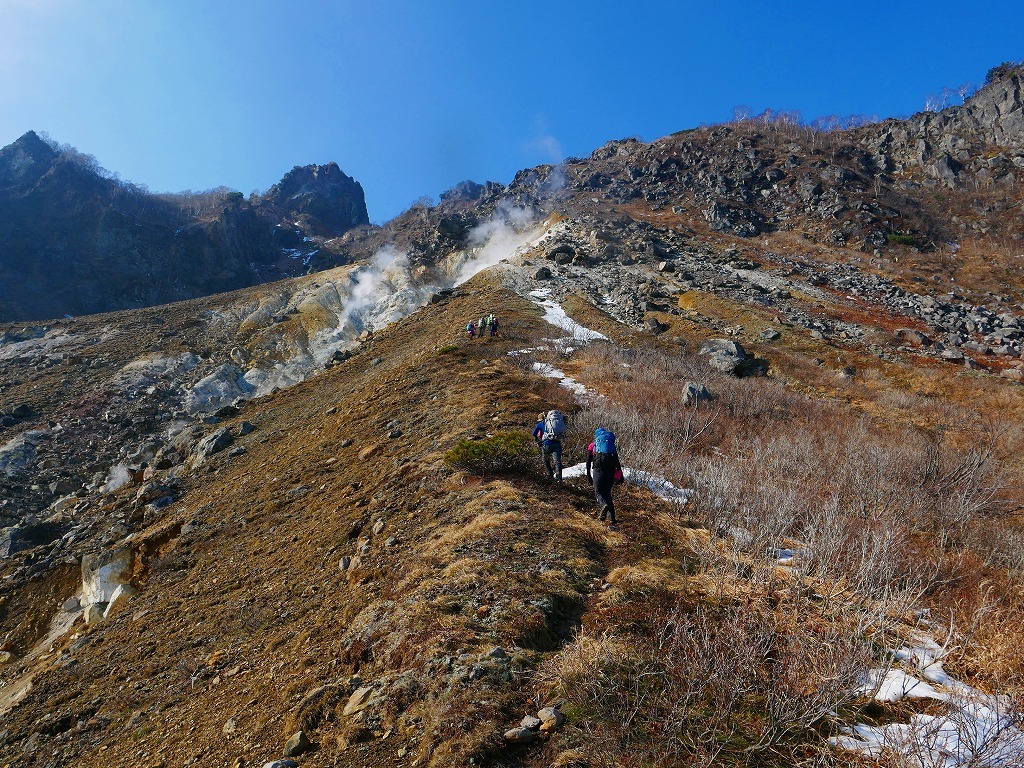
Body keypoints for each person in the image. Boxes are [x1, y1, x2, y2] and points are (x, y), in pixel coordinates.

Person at [586, 427, 623, 528]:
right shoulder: (611, 446)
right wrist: (621, 476)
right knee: (607, 493)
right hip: (610, 470)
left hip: (598, 469)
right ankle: (612, 519)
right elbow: (617, 462)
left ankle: (603, 505)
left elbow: (588, 461)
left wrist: (589, 475)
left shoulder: (593, 445)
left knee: (598, 492)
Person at [533, 409, 566, 482]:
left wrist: (539, 443)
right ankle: (559, 479)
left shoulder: (542, 424)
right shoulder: (558, 422)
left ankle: (550, 476)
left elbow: (534, 434)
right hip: (557, 444)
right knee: (557, 462)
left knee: (545, 460)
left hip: (546, 444)